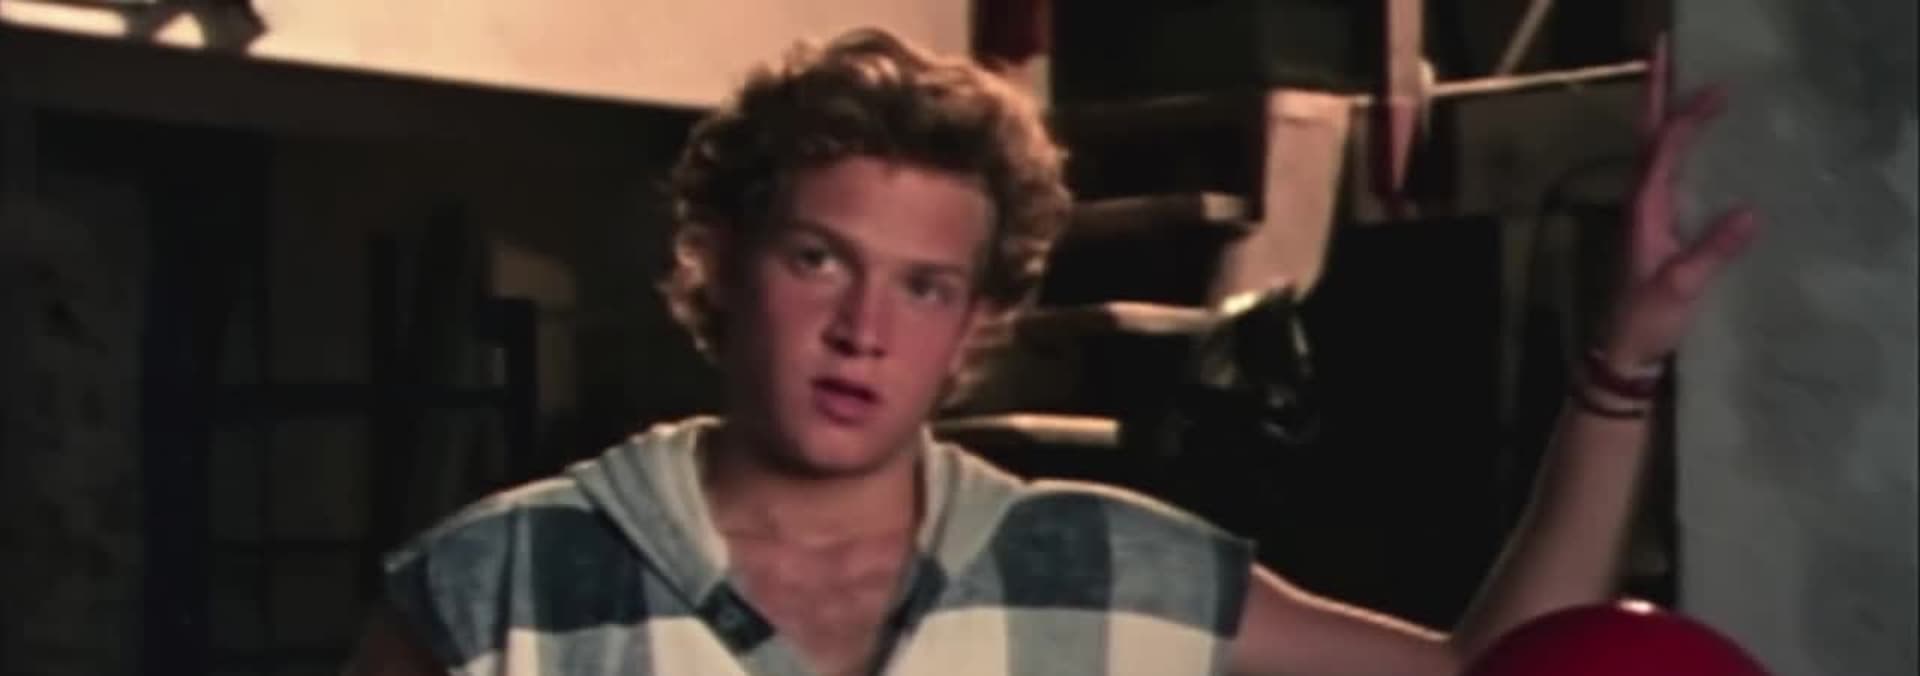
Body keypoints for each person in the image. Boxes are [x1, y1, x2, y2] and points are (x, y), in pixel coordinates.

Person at [344, 27, 1757, 676]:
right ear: (719, 258)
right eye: (819, 259)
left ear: (978, 322)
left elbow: (1496, 673)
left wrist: (1623, 361)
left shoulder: (1097, 566)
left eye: (924, 286)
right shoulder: (500, 583)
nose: (863, 329)